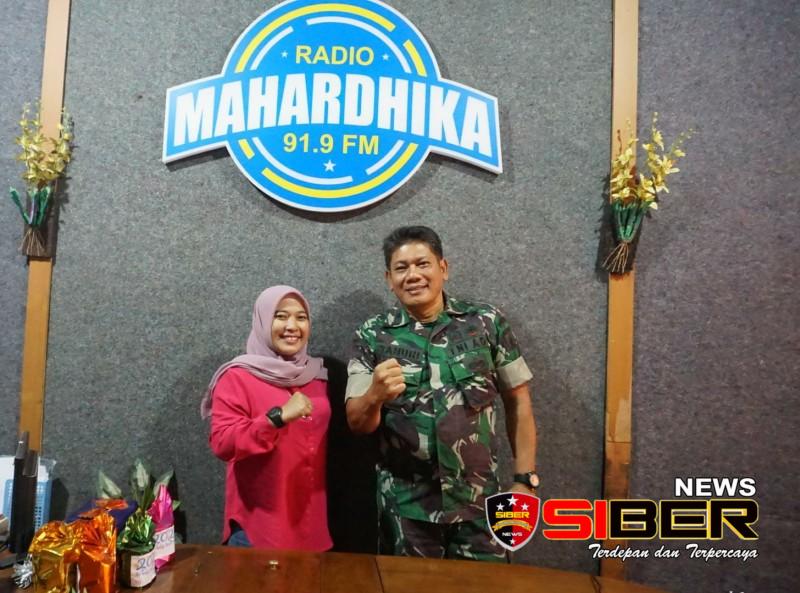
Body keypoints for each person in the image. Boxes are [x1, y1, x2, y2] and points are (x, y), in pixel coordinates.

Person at [345, 226, 538, 561]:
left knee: (490, 586)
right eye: (401, 268)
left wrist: (524, 480)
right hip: (407, 510)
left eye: (423, 264)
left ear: (443, 268)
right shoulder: (372, 335)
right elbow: (357, 423)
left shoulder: (486, 323)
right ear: (389, 279)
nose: (413, 275)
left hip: (480, 504)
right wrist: (374, 394)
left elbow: (518, 401)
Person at [202, 285, 332, 551]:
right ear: (262, 321)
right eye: (280, 316)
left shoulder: (316, 376)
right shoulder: (237, 376)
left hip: (310, 524)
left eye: (301, 317)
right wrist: (277, 417)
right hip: (259, 528)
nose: (292, 326)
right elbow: (223, 443)